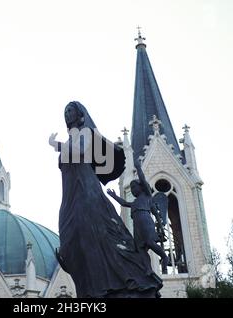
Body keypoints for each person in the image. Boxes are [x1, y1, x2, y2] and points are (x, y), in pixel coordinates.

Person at [49, 101, 162, 298]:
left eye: (70, 110)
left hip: (86, 190)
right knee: (70, 236)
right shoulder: (71, 141)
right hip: (69, 194)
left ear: (80, 114)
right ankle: (88, 283)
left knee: (96, 232)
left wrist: (55, 145)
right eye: (65, 111)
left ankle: (114, 281)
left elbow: (80, 152)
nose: (67, 114)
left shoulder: (85, 135)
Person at [107, 159, 169, 274]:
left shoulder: (146, 195)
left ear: (141, 187)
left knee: (150, 242)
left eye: (135, 187)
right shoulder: (135, 202)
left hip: (145, 221)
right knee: (140, 249)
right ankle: (148, 269)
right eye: (132, 189)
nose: (133, 190)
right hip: (137, 225)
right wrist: (113, 196)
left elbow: (143, 179)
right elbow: (124, 203)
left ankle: (164, 257)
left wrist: (139, 168)